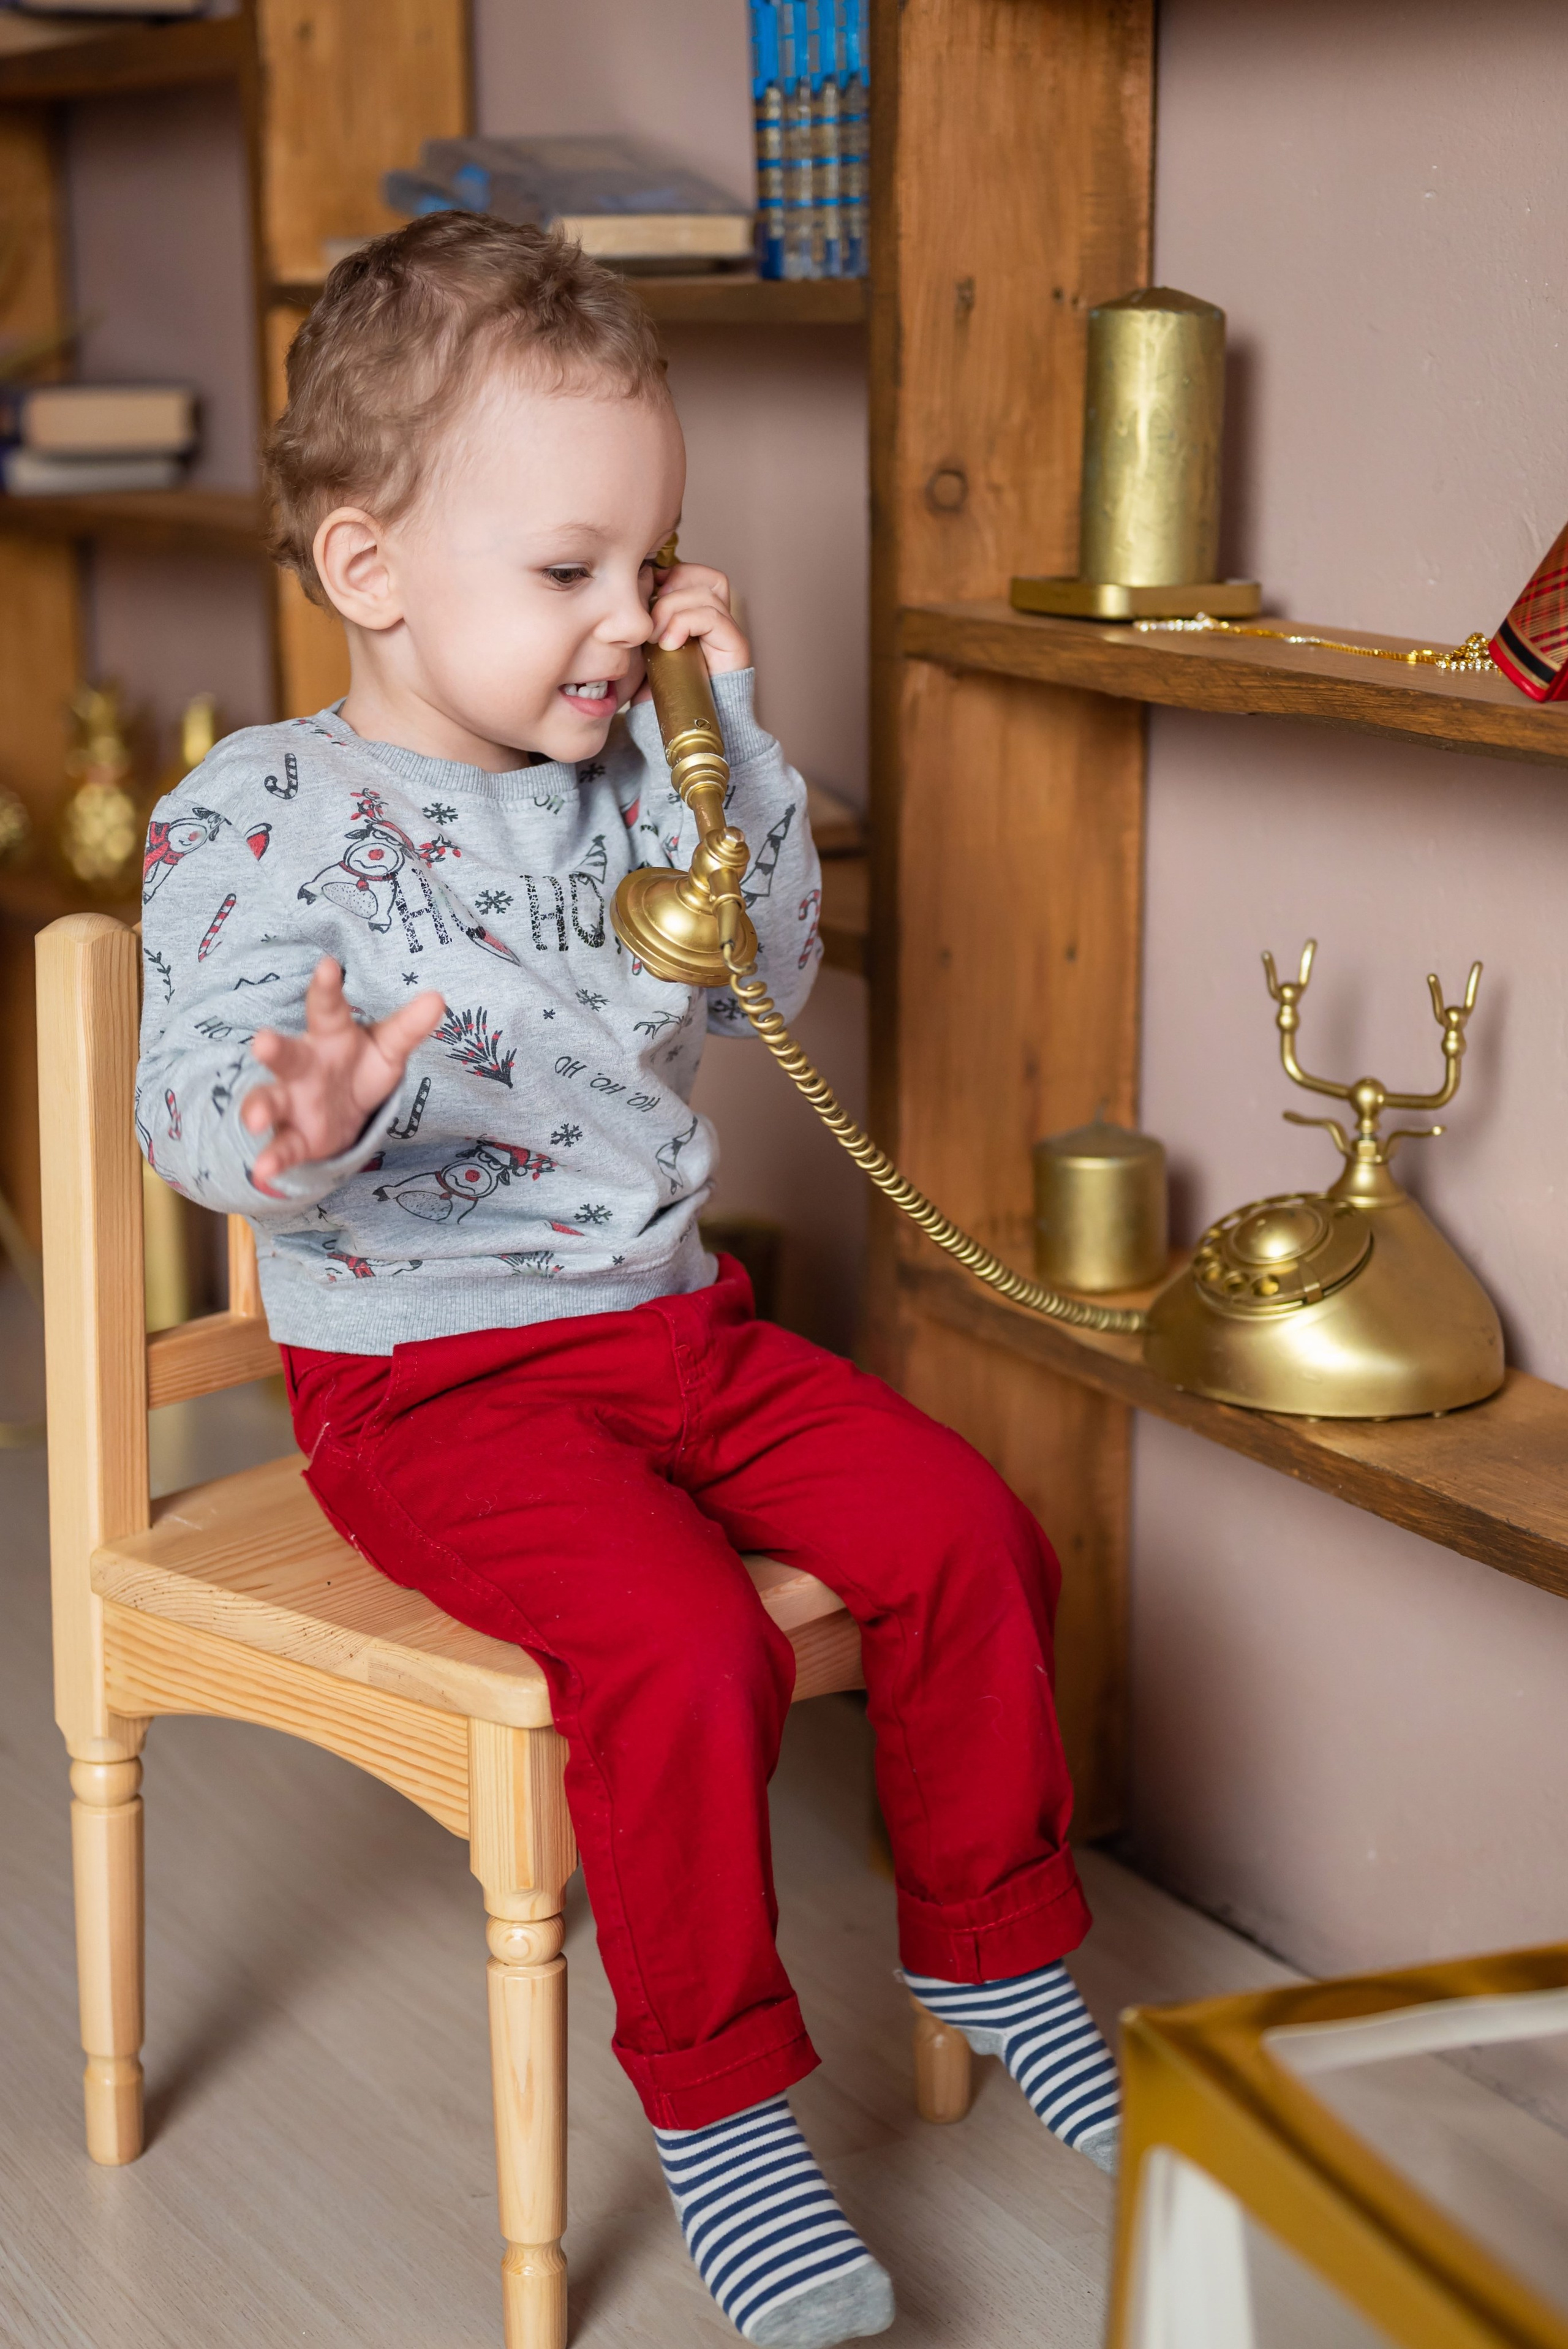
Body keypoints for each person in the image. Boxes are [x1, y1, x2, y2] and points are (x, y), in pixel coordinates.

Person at [135, 211, 1120, 2348]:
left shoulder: (619, 784)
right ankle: (730, 2107)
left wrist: (723, 713)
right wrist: (292, 1121)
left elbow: (765, 963)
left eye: (646, 566)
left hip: (677, 1327)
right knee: (680, 1651)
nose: (618, 620)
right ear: (372, 568)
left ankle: (993, 1932)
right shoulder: (258, 811)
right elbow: (201, 1097)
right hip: (433, 1381)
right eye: (570, 572)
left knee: (967, 1530)